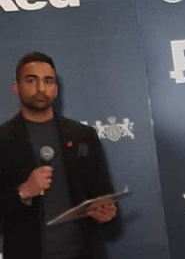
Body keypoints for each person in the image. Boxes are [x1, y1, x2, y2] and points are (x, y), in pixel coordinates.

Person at [0, 52, 117, 259]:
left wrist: (105, 211)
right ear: (16, 88)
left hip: (84, 253)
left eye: (48, 81)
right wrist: (23, 192)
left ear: (56, 88)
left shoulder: (83, 135)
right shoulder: (3, 139)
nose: (40, 88)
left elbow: (102, 193)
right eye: (31, 80)